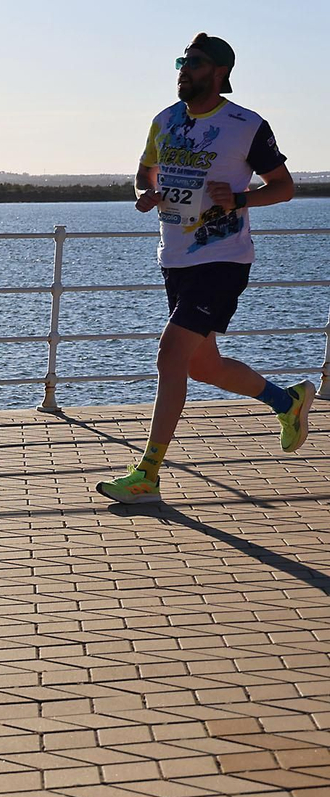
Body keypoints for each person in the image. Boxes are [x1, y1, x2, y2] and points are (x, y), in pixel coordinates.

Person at [96, 34, 309, 505]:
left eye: (193, 63)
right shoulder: (165, 120)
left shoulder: (246, 125)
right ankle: (287, 402)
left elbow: (284, 186)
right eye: (181, 62)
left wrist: (240, 199)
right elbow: (145, 172)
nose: (183, 70)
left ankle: (148, 474)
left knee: (170, 354)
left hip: (222, 258)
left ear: (219, 72)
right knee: (202, 365)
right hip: (174, 258)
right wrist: (145, 194)